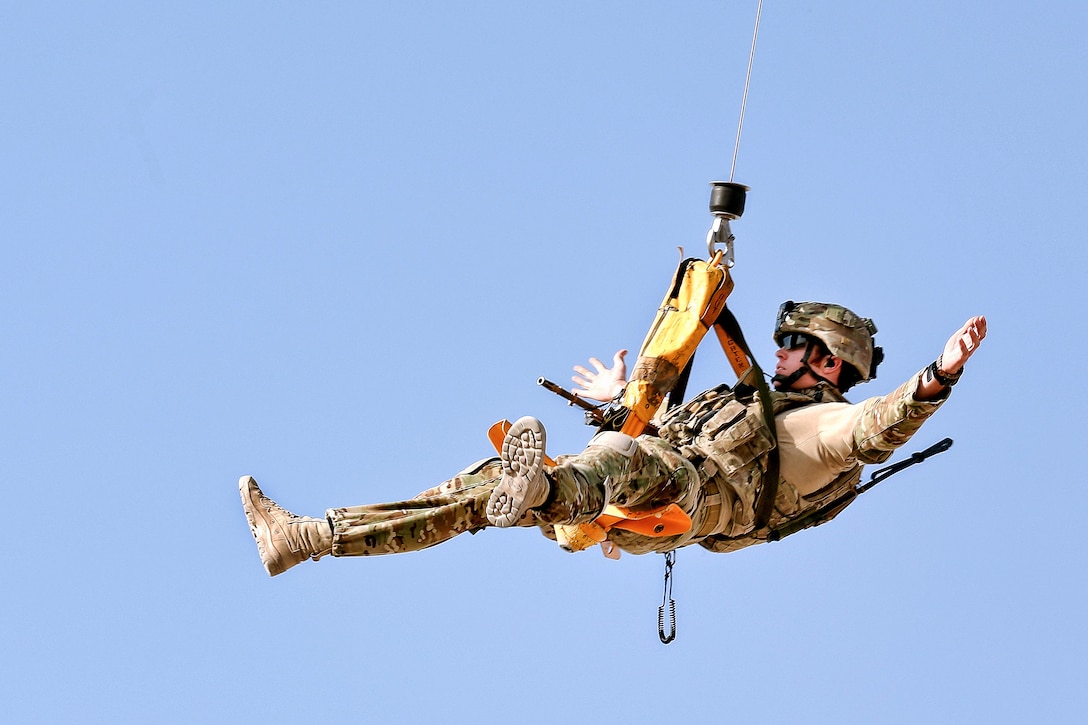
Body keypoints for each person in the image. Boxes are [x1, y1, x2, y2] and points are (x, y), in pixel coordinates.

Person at [240, 301, 987, 576]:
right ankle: (307, 538)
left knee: (625, 457)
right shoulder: (750, 406)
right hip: (634, 495)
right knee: (479, 486)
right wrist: (618, 402)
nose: (780, 350)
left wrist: (936, 377)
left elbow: (879, 426)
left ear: (827, 363)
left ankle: (545, 487)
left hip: (685, 500)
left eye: (794, 343)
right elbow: (654, 442)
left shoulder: (822, 427)